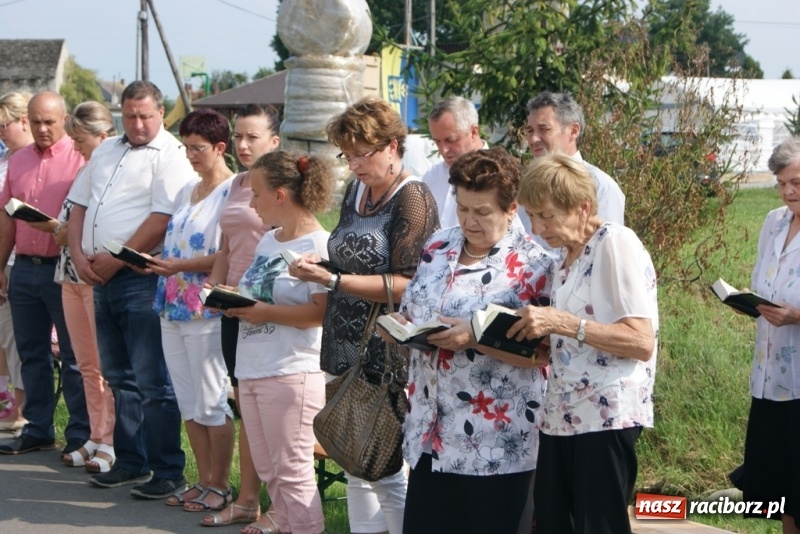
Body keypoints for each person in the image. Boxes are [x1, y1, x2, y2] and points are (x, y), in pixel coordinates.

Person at [292, 97, 439, 534]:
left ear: (394, 145)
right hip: (344, 340)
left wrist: (333, 282)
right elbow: (347, 258)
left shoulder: (413, 198)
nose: (354, 163)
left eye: (363, 152)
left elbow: (410, 283)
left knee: (385, 466)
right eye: (347, 153)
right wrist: (317, 270)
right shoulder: (357, 190)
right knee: (353, 460)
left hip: (384, 349)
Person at [391, 147, 553, 534]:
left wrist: (475, 338)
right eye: (463, 208)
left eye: (482, 212)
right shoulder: (438, 246)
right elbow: (413, 306)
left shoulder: (535, 266)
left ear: (512, 208)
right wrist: (400, 325)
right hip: (431, 433)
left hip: (496, 444)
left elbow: (543, 356)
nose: (469, 221)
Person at [514, 153, 658, 534]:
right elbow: (577, 335)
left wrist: (562, 322)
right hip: (563, 414)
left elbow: (642, 341)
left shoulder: (615, 241)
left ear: (582, 208)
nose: (537, 227)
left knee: (598, 525)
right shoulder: (567, 256)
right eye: (531, 216)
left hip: (606, 414)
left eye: (546, 215)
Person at [67, 81, 195, 499]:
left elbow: (162, 217)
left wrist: (117, 258)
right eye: (130, 115)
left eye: (145, 116)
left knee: (151, 380)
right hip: (97, 274)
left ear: (161, 114)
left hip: (139, 278)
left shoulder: (171, 155)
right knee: (120, 377)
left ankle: (166, 470)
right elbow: (79, 205)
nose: (138, 124)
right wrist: (79, 256)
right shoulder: (106, 149)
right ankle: (130, 461)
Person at [229, 151, 333, 534]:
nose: (251, 204)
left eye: (255, 194)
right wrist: (232, 302)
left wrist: (264, 312)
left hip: (291, 371)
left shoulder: (321, 245)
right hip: (252, 366)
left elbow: (320, 314)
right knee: (272, 471)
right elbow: (260, 296)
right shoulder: (268, 241)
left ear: (280, 195)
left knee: (292, 472)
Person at [145, 109, 235, 512]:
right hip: (172, 303)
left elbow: (226, 252)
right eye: (186, 147)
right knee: (188, 400)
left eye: (198, 148)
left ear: (220, 147)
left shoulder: (234, 191)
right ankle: (202, 480)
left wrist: (179, 266)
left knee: (212, 399)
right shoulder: (188, 190)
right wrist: (148, 259)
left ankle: (222, 484)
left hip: (206, 307)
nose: (190, 155)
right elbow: (175, 242)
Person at [202, 103, 280, 528]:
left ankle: (277, 507)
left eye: (253, 136)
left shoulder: (287, 186)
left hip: (267, 310)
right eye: (238, 137)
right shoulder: (235, 183)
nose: (244, 144)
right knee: (244, 406)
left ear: (275, 141)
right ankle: (247, 499)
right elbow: (226, 247)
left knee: (268, 412)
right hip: (232, 308)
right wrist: (213, 292)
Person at [0, 91, 90, 456]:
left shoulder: (78, 159)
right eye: (35, 122)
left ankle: (81, 433)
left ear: (64, 119)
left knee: (72, 355)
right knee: (31, 351)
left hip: (61, 268)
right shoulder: (17, 160)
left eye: (49, 122)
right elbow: (6, 215)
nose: (41, 129)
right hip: (23, 266)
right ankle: (38, 427)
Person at [47, 102, 117, 472]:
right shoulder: (83, 172)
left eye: (81, 139)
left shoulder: (114, 175)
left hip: (95, 276)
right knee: (85, 364)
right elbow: (63, 225)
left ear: (104, 137)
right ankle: (96, 434)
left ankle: (112, 441)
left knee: (106, 365)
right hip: (68, 275)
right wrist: (60, 231)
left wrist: (64, 232)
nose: (76, 147)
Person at [739, 137, 800, 534]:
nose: (789, 191)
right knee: (782, 493)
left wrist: (797, 316)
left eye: (797, 182)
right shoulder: (773, 222)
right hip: (769, 381)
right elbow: (764, 280)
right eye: (781, 183)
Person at [525, 92, 625, 225]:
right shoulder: (527, 185)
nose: (533, 139)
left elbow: (607, 242)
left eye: (544, 129)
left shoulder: (600, 187)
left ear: (573, 131)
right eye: (530, 131)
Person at [0, 91, 31, 433]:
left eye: (3, 124)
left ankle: (20, 408)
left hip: (15, 257)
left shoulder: (28, 161)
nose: (0, 131)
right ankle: (7, 400)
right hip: (2, 255)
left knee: (15, 337)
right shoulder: (6, 158)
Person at [421, 96, 487, 229]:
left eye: (451, 140)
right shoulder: (431, 177)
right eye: (437, 142)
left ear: (474, 132)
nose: (443, 150)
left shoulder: (501, 175)